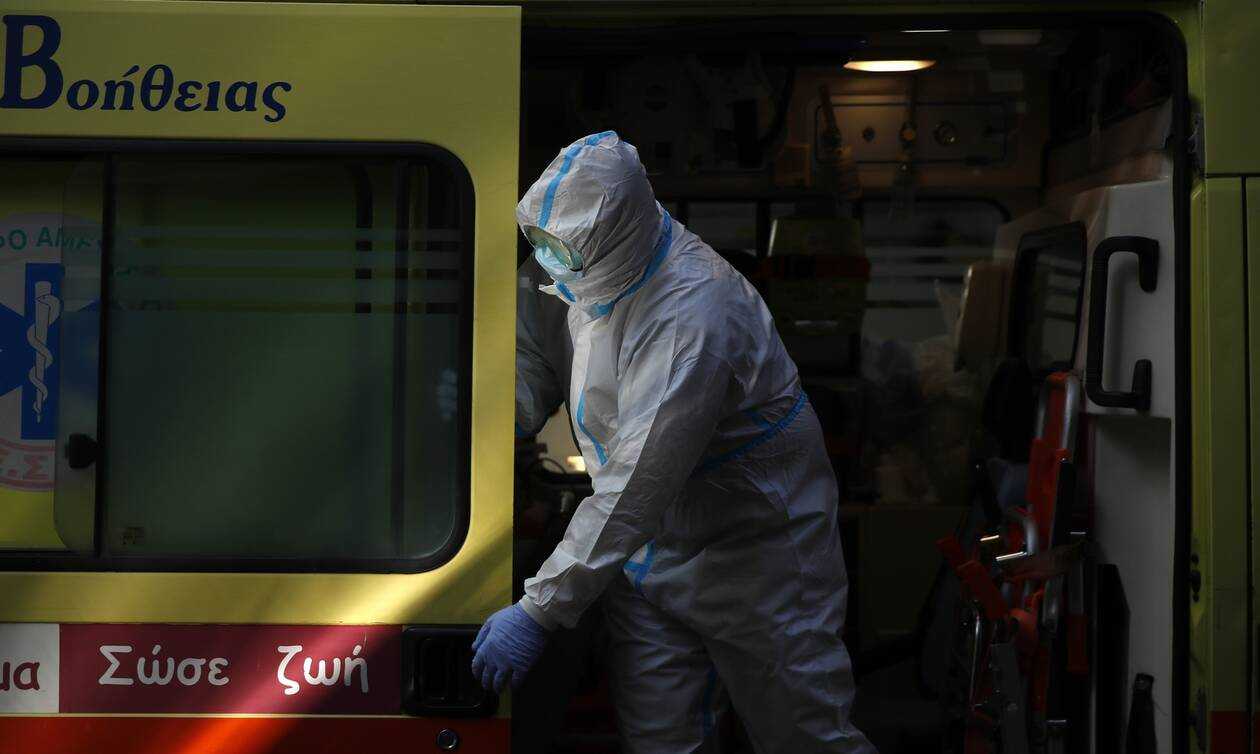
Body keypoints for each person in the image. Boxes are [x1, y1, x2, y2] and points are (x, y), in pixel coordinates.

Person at [472, 131, 876, 753]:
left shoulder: (692, 314)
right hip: (647, 559)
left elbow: (638, 483)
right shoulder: (574, 260)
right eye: (541, 244)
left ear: (618, 237)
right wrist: (491, 427)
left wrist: (540, 609)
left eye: (563, 251)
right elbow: (535, 356)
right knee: (661, 741)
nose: (550, 262)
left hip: (755, 561)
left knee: (804, 736)